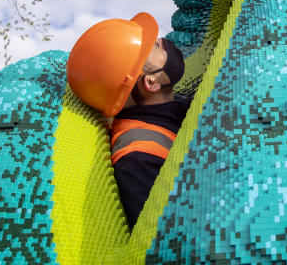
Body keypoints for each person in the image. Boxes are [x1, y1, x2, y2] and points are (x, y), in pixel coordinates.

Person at [66, 12, 192, 229]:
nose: (163, 42)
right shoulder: (139, 155)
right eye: (154, 46)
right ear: (150, 83)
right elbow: (166, 233)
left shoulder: (173, 107)